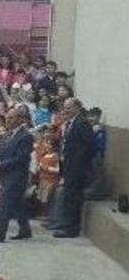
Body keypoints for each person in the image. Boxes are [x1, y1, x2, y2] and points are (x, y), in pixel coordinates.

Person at [0, 105, 34, 242]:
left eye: (11, 117)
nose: (8, 120)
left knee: (5, 204)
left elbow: (22, 158)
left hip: (17, 176)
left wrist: (1, 164)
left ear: (20, 119)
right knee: (17, 204)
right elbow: (4, 151)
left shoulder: (25, 136)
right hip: (8, 175)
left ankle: (0, 234)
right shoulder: (10, 134)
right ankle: (25, 229)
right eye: (7, 117)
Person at [53, 98, 94, 238]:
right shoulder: (70, 123)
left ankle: (71, 229)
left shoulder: (82, 123)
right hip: (68, 166)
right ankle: (66, 224)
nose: (66, 110)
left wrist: (78, 162)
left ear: (77, 108)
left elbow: (88, 146)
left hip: (77, 169)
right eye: (65, 108)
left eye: (69, 108)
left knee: (73, 198)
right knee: (68, 196)